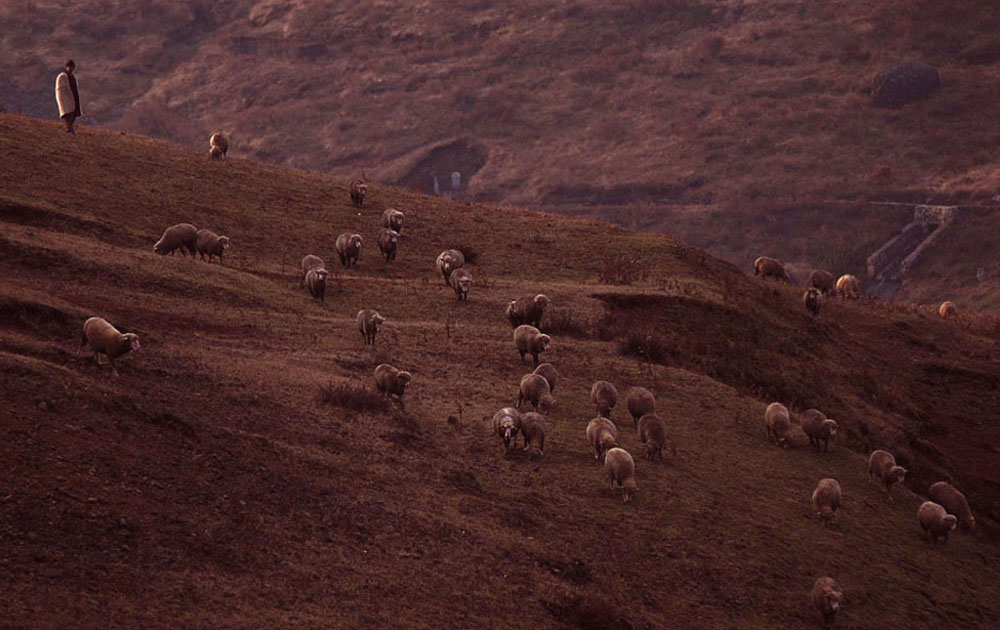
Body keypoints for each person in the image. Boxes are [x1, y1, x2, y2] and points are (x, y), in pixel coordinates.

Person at [55, 60, 81, 134]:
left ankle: (70, 127)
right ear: (67, 67)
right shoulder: (62, 76)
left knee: (73, 114)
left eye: (72, 67)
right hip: (66, 98)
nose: (71, 69)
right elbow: (61, 89)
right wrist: (67, 96)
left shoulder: (72, 77)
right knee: (68, 114)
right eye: (70, 67)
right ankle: (69, 128)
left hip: (73, 97)